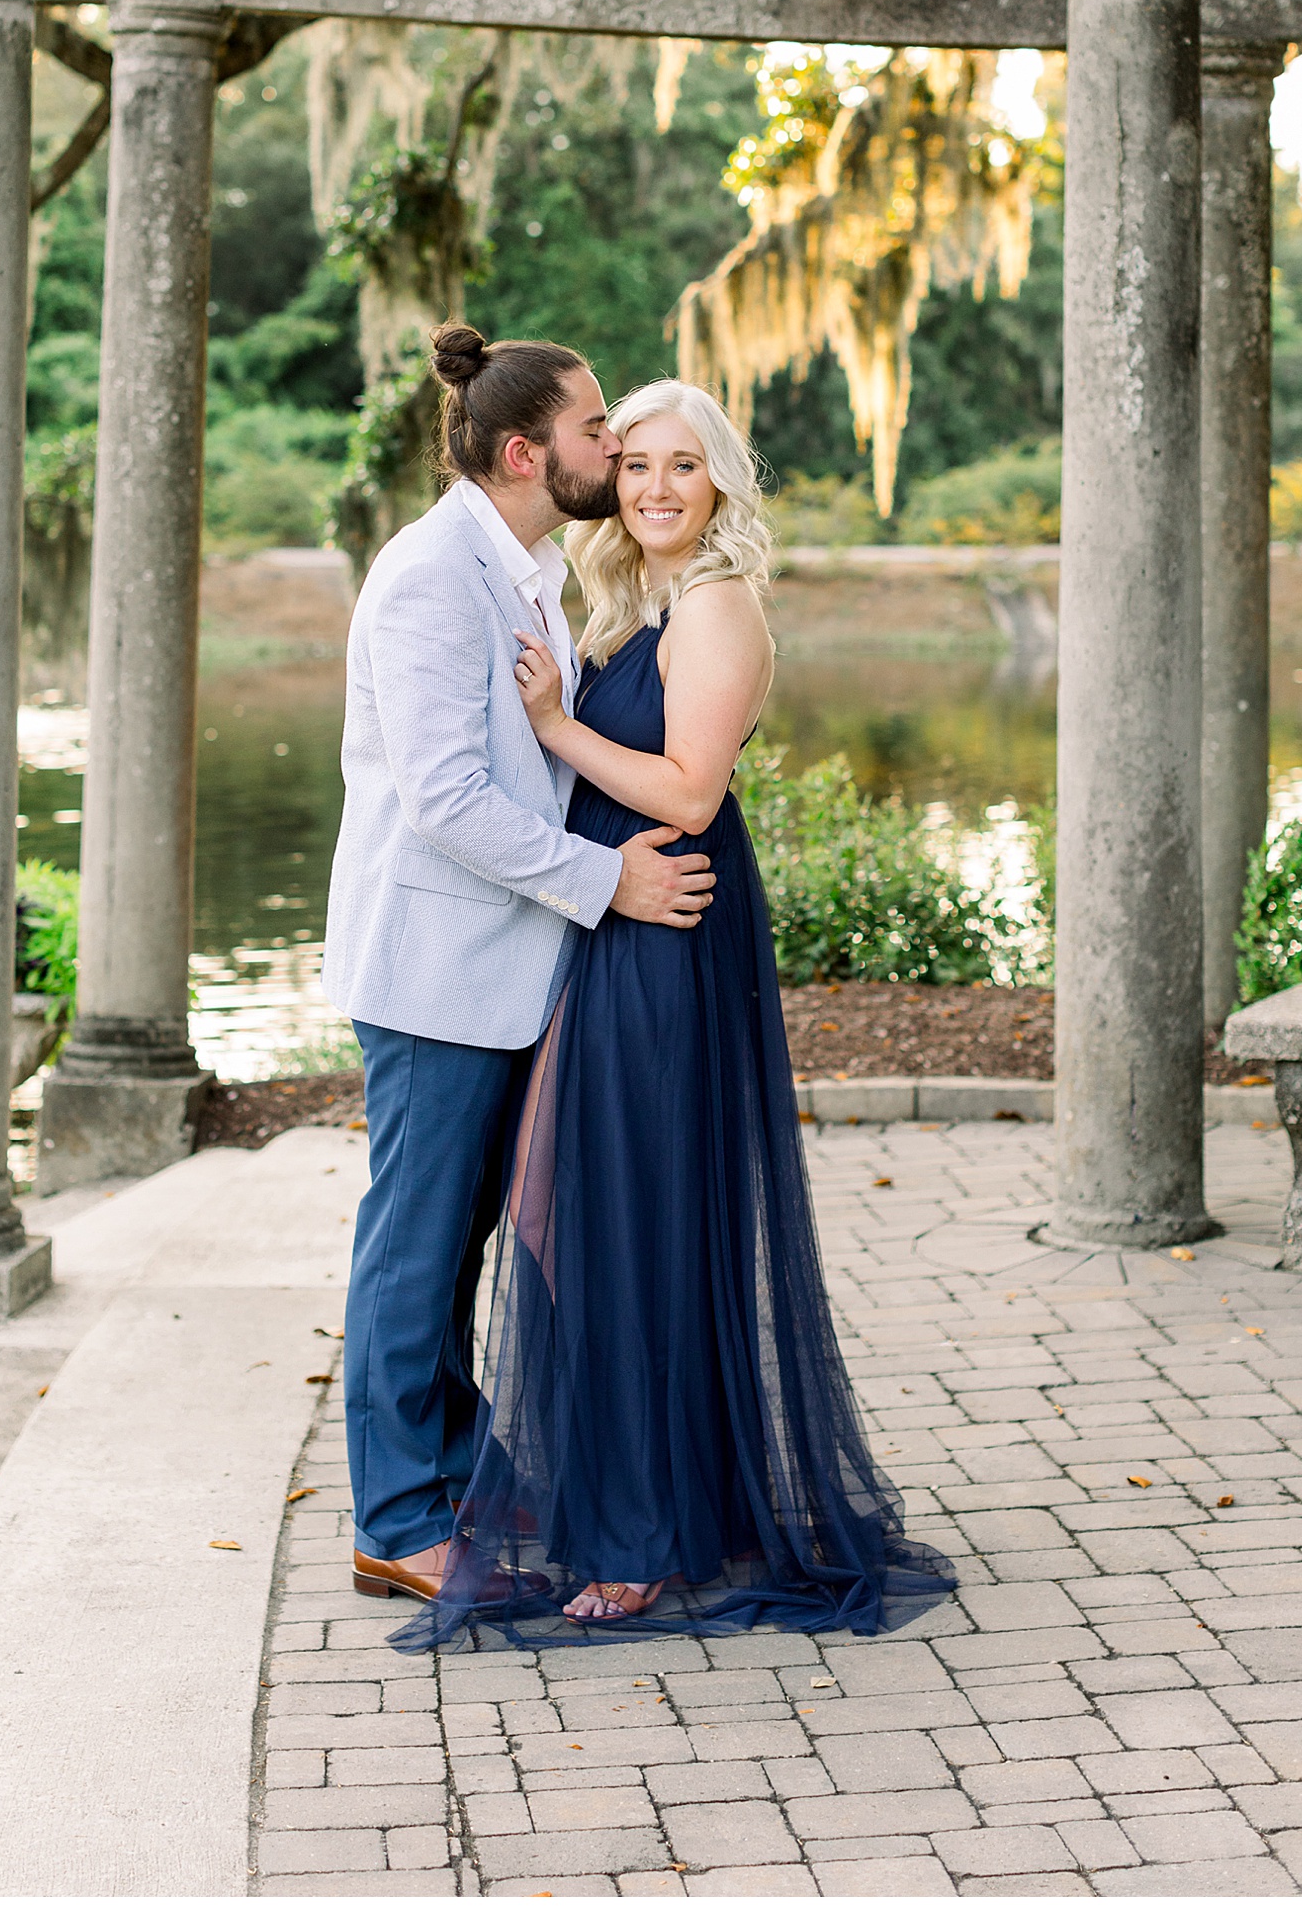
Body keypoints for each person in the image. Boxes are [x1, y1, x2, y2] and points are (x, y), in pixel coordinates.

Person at [393, 379, 957, 1643]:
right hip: (614, 922)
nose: (651, 485)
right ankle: (690, 1496)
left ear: (719, 483)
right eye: (633, 460)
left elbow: (691, 792)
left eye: (680, 465)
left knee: (626, 1215)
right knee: (578, 1208)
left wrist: (551, 724)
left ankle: (648, 1537)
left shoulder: (715, 602)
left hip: (665, 924)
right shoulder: (632, 598)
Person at [325, 325, 719, 1608]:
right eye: (597, 427)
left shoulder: (528, 566)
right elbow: (445, 796)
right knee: (416, 1243)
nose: (612, 445)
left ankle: (450, 1465)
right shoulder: (432, 575)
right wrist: (612, 882)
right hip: (435, 969)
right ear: (522, 449)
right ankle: (395, 1514)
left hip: (505, 967)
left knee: (461, 1239)